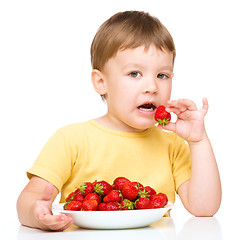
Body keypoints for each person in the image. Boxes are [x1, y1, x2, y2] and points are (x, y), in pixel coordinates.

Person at [17, 11, 222, 231]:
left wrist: (198, 141)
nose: (152, 87)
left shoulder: (172, 145)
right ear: (100, 82)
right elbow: (28, 201)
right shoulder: (70, 140)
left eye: (162, 75)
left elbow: (205, 208)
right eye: (135, 73)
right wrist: (37, 213)